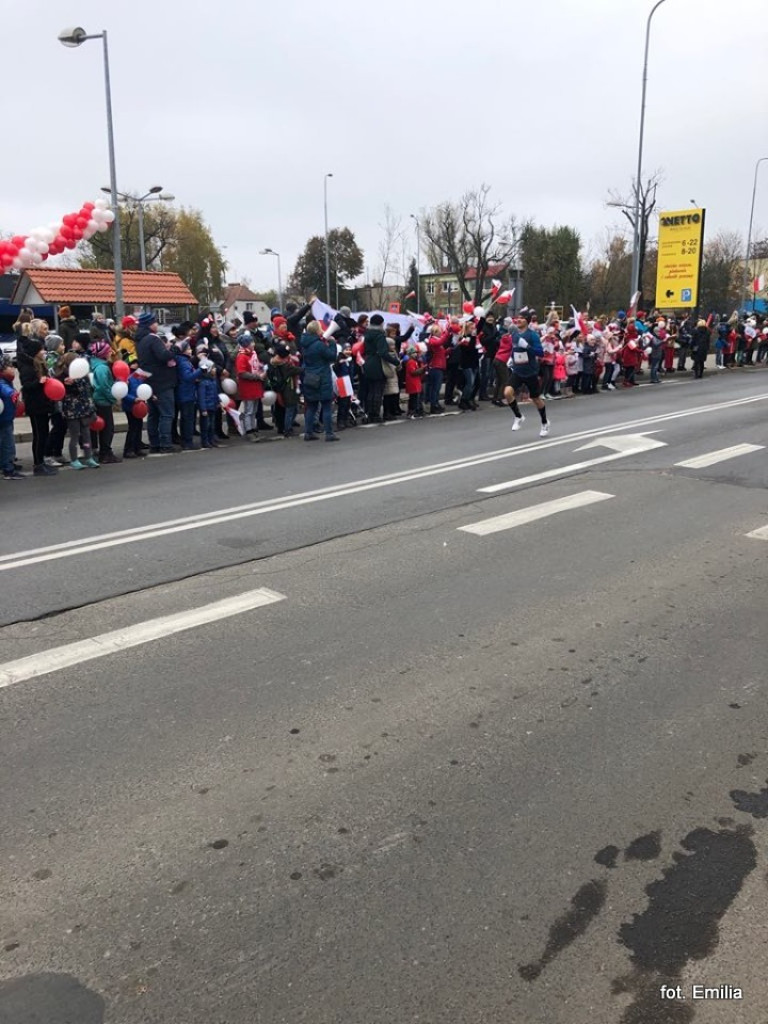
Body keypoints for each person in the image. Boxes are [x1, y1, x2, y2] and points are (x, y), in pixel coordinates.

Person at [16, 317, 56, 476]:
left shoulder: (39, 365)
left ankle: (42, 462)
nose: (43, 352)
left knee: (44, 433)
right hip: (35, 405)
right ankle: (38, 464)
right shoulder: (28, 367)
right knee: (39, 435)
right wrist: (39, 382)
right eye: (41, 350)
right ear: (35, 352)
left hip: (43, 403)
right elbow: (27, 385)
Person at [136, 310, 178, 454]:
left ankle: (154, 443)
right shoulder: (153, 339)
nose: (157, 324)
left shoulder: (141, 341)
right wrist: (174, 348)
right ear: (149, 324)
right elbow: (163, 356)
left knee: (153, 414)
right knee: (166, 413)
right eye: (154, 322)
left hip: (149, 381)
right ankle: (166, 443)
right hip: (162, 381)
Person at [504, 315, 550, 437]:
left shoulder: (532, 335)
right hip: (518, 370)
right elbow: (514, 349)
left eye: (522, 318)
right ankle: (518, 416)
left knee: (536, 399)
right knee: (507, 393)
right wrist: (511, 358)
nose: (518, 320)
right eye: (517, 318)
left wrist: (528, 347)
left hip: (530, 372)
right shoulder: (514, 334)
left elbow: (540, 353)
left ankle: (545, 422)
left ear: (527, 321)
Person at [55, 351, 99, 470]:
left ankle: (88, 456)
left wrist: (79, 381)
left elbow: (88, 387)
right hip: (72, 409)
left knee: (86, 434)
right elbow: (63, 391)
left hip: (84, 408)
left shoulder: (83, 374)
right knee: (75, 435)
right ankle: (74, 459)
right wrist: (70, 383)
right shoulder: (62, 375)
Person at [300, 320, 340, 442]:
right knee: (327, 406)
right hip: (322, 377)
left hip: (309, 376)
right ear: (317, 330)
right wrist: (332, 343)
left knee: (311, 407)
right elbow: (332, 356)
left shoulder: (305, 343)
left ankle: (308, 432)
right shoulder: (319, 344)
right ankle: (329, 433)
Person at [89, 339, 121, 462]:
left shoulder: (95, 364)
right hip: (102, 400)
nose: (110, 352)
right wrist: (113, 398)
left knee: (104, 428)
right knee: (107, 428)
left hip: (98, 399)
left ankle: (104, 451)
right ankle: (105, 452)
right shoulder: (102, 368)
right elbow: (103, 386)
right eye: (108, 351)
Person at [363, 314, 398, 423]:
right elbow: (383, 352)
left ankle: (370, 414)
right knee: (378, 391)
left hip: (368, 362)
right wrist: (395, 361)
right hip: (378, 364)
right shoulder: (379, 335)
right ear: (380, 323)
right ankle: (376, 415)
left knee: (371, 391)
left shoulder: (367, 334)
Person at [235, 332, 266, 439]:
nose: (253, 344)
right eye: (251, 342)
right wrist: (258, 376)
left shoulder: (253, 354)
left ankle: (253, 428)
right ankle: (249, 430)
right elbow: (242, 372)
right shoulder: (242, 356)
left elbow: (257, 366)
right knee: (249, 410)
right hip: (248, 387)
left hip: (255, 386)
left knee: (254, 410)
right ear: (246, 344)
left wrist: (262, 370)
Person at [174, 338, 203, 450]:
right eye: (189, 348)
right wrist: (200, 370)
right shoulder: (184, 362)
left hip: (184, 393)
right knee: (188, 419)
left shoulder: (183, 361)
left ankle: (186, 441)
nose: (191, 350)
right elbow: (188, 377)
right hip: (186, 394)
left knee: (186, 418)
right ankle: (188, 442)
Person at [0, 359, 23, 479]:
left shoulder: (7, 380)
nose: (13, 369)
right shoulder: (2, 381)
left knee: (7, 443)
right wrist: (12, 394)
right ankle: (8, 470)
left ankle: (7, 463)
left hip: (7, 416)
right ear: (3, 369)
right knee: (7, 444)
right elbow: (4, 389)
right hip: (4, 418)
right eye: (10, 367)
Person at [196, 356, 220, 448]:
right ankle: (205, 441)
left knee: (212, 425)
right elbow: (201, 397)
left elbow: (215, 393)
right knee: (206, 425)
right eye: (213, 368)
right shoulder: (203, 383)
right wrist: (203, 409)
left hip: (213, 405)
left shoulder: (213, 381)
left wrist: (218, 401)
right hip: (206, 407)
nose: (215, 369)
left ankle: (211, 439)